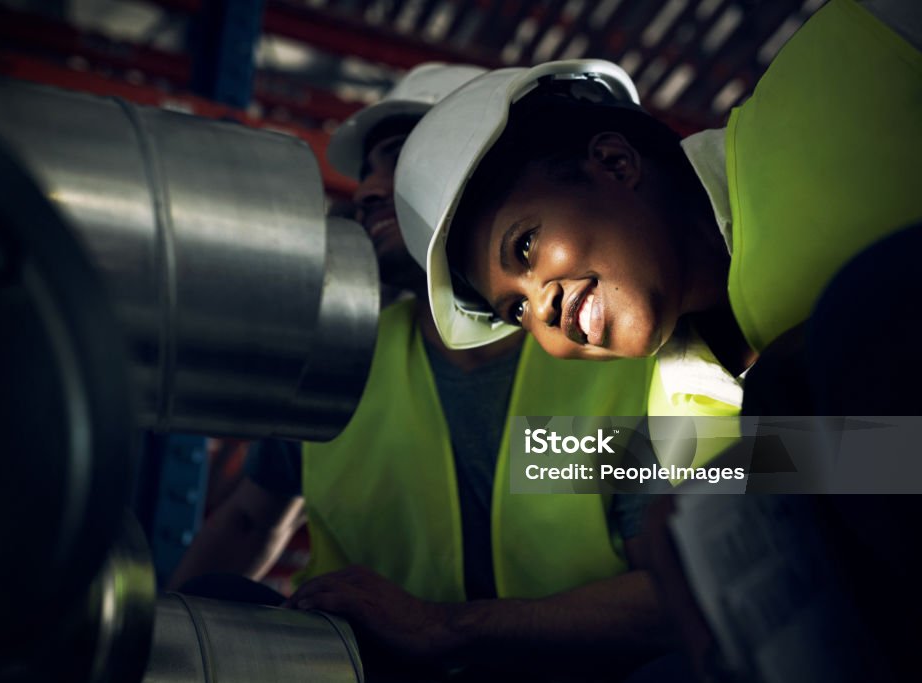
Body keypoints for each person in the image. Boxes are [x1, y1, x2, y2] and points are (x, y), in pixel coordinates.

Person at [171, 63, 671, 679]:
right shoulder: (341, 361)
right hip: (374, 668)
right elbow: (251, 518)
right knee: (223, 607)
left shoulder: (618, 343)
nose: (369, 191)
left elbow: (687, 587)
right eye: (369, 174)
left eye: (399, 162)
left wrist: (447, 629)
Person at [393, 0, 922, 420]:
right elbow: (896, 477)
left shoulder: (861, 53)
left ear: (614, 162)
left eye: (524, 247)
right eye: (516, 311)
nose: (542, 310)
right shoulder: (683, 435)